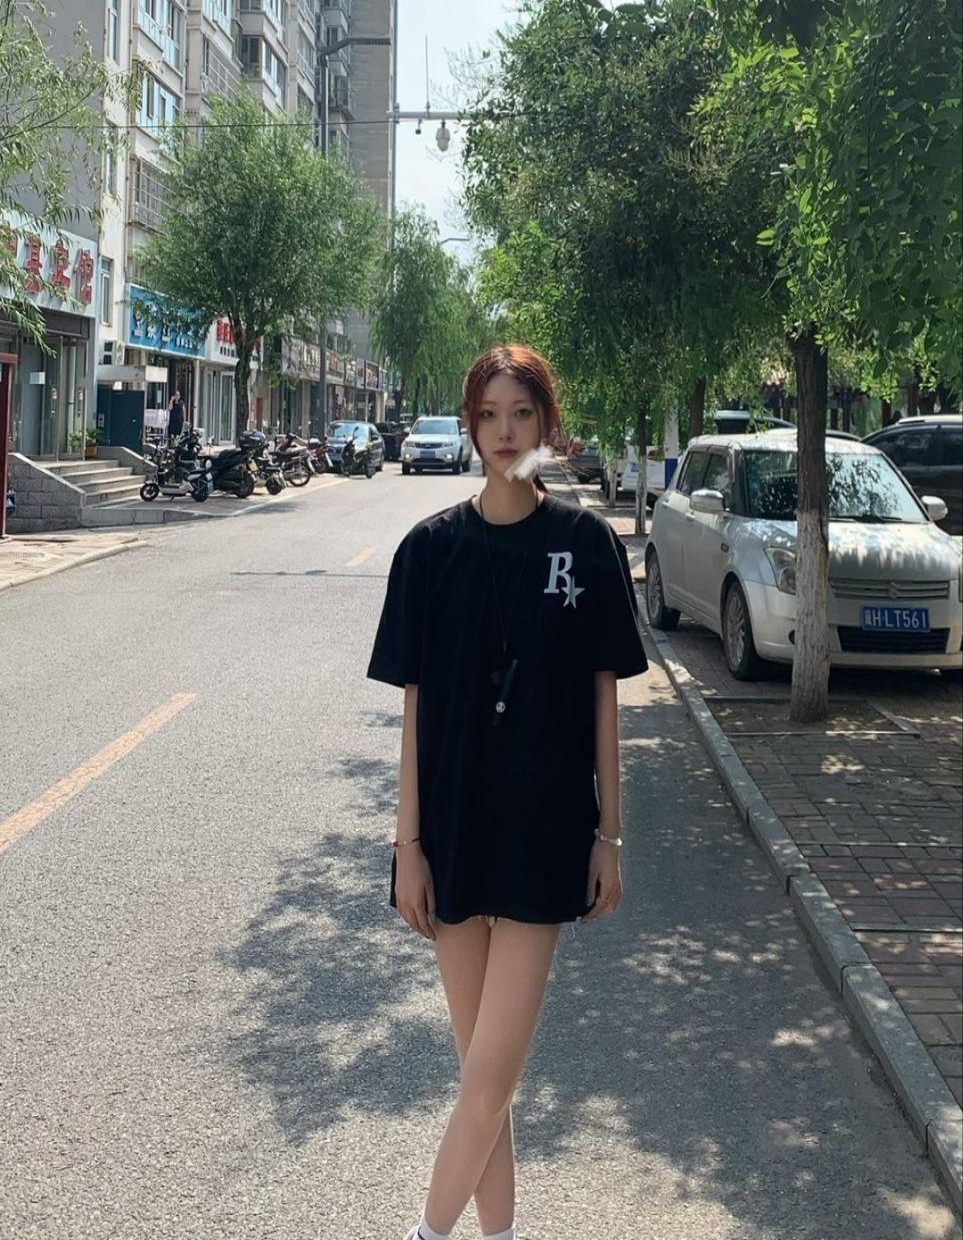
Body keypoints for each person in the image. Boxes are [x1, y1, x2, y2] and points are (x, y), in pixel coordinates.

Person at [367, 345, 648, 1240]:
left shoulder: (584, 545)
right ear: (468, 423)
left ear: (546, 426)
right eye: (487, 414)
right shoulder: (429, 551)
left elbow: (603, 697)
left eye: (520, 413)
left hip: (542, 833)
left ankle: (425, 1234)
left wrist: (609, 836)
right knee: (479, 1082)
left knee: (490, 1080)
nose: (502, 431)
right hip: (452, 833)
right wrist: (407, 848)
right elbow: (414, 711)